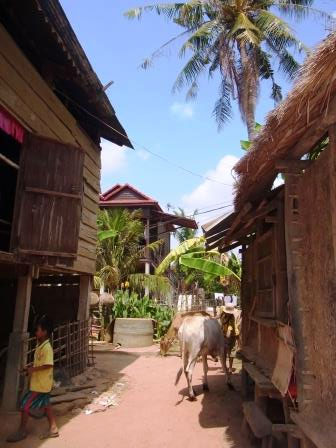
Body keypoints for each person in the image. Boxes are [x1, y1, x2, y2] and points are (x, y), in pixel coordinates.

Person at [7, 315, 59, 443]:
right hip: (42, 383)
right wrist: (30, 368)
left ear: (45, 332)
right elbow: (40, 364)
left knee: (25, 404)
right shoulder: (40, 345)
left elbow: (48, 364)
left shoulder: (47, 348)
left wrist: (33, 370)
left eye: (38, 330)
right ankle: (53, 428)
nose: (36, 332)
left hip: (40, 385)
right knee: (46, 404)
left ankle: (22, 430)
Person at [218, 303, 241, 373]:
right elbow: (217, 317)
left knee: (231, 352)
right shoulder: (222, 315)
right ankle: (225, 367)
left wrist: (226, 340)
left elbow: (230, 330)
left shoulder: (232, 318)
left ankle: (230, 367)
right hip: (224, 336)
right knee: (224, 353)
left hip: (232, 336)